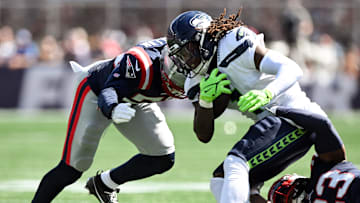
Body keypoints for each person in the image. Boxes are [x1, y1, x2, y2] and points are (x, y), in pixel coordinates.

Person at [166, 9, 330, 203]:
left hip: (295, 116)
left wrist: (267, 93)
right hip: (272, 126)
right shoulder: (196, 79)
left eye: (186, 51)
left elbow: (291, 68)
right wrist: (205, 101)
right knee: (221, 181)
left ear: (202, 41)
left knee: (235, 162)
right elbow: (203, 134)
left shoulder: (233, 43)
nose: (185, 61)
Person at [32, 37, 187, 203]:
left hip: (136, 98)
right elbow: (109, 90)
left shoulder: (204, 61)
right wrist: (113, 108)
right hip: (98, 89)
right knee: (73, 167)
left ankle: (103, 184)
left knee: (162, 157)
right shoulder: (141, 62)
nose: (187, 68)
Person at [267, 107, 359, 203]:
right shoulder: (323, 168)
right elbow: (322, 124)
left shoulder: (323, 169)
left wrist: (253, 192)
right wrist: (276, 110)